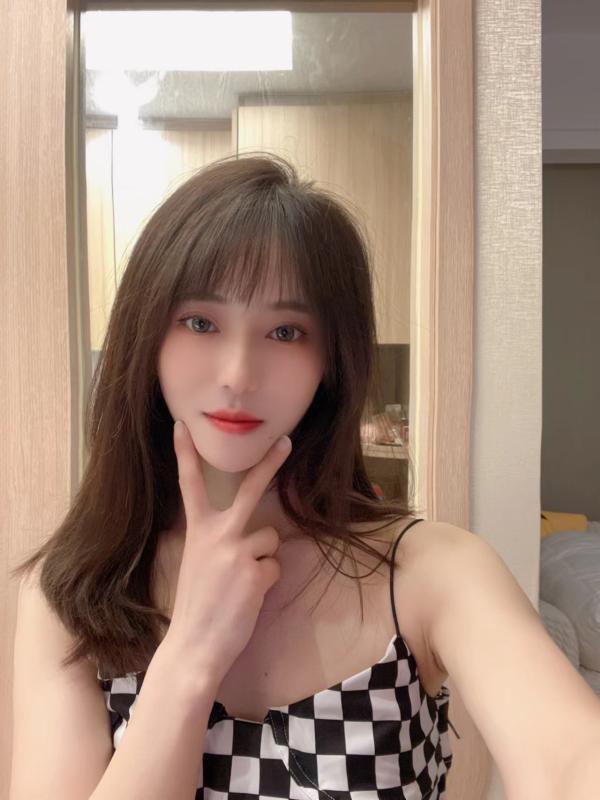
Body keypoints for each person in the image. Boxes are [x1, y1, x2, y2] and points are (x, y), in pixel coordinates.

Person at [9, 153, 600, 800]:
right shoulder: (72, 590)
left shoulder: (430, 573)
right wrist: (191, 653)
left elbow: (571, 757)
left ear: (332, 361)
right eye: (201, 322)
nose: (238, 374)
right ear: (146, 336)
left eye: (286, 331)